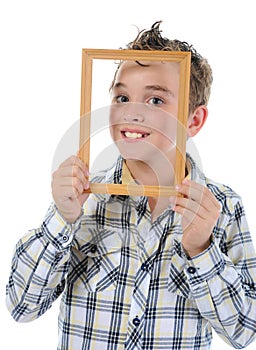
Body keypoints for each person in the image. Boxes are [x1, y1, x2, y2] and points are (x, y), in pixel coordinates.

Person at [6, 21, 256, 350]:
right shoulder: (83, 198)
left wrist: (202, 250)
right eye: (122, 97)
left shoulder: (221, 207)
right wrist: (61, 218)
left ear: (193, 121)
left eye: (155, 101)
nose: (132, 113)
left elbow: (245, 332)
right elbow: (21, 307)